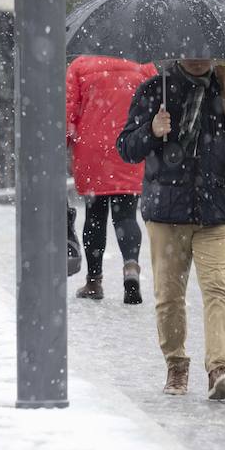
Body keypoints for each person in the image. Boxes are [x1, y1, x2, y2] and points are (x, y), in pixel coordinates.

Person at [117, 58, 225, 400]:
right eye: (191, 50)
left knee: (218, 291)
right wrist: (152, 130)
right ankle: (176, 365)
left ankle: (219, 369)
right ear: (177, 51)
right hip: (167, 214)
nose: (198, 58)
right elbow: (126, 148)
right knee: (169, 297)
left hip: (216, 212)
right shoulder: (155, 89)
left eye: (205, 51)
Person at [67, 55, 159, 304]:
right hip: (129, 148)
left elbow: (68, 112)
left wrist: (64, 140)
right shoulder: (143, 64)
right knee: (127, 215)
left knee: (94, 216)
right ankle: (131, 267)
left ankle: (94, 281)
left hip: (91, 150)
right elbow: (158, 105)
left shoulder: (80, 65)